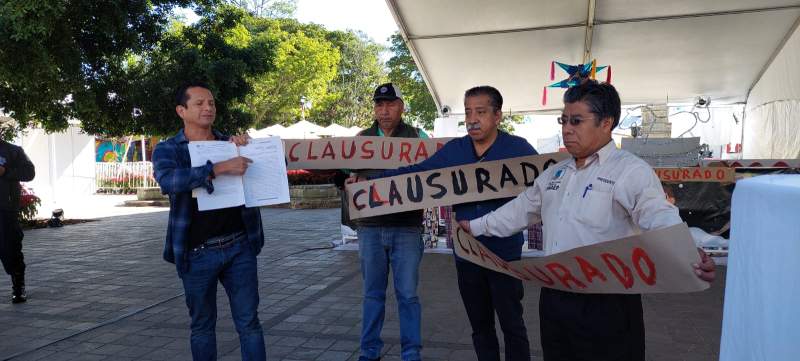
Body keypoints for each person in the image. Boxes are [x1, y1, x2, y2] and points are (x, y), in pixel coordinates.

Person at [461, 80, 716, 361]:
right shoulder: (555, 175)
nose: (566, 129)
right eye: (564, 120)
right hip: (556, 295)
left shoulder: (629, 171)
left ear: (606, 123)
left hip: (608, 299)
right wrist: (474, 227)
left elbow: (658, 215)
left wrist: (688, 250)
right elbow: (518, 211)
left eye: (577, 121)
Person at [355, 86, 536, 361]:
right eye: (468, 112)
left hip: (504, 254)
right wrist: (370, 183)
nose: (472, 119)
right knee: (480, 325)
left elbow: (542, 186)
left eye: (481, 112)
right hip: (467, 254)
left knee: (512, 322)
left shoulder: (519, 148)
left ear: (498, 115)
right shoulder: (456, 149)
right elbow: (417, 173)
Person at [153, 82, 266, 361]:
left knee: (249, 323)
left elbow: (259, 177)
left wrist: (246, 149)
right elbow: (169, 181)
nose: (208, 108)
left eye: (212, 103)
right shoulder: (168, 149)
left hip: (240, 246)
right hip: (196, 253)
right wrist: (218, 168)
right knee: (202, 326)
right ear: (182, 110)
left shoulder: (230, 144)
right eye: (199, 103)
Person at [346, 82, 428, 361]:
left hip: (407, 228)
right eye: (379, 105)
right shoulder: (360, 139)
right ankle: (369, 352)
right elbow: (345, 176)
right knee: (372, 295)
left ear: (401, 107)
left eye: (390, 104)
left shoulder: (419, 138)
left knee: (407, 295)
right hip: (370, 228)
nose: (384, 110)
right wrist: (349, 181)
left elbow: (435, 171)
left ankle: (411, 352)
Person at [0, 139, 35, 304]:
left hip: (5, 209)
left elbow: (29, 172)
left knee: (11, 248)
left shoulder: (13, 151)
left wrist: (5, 171)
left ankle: (18, 287)